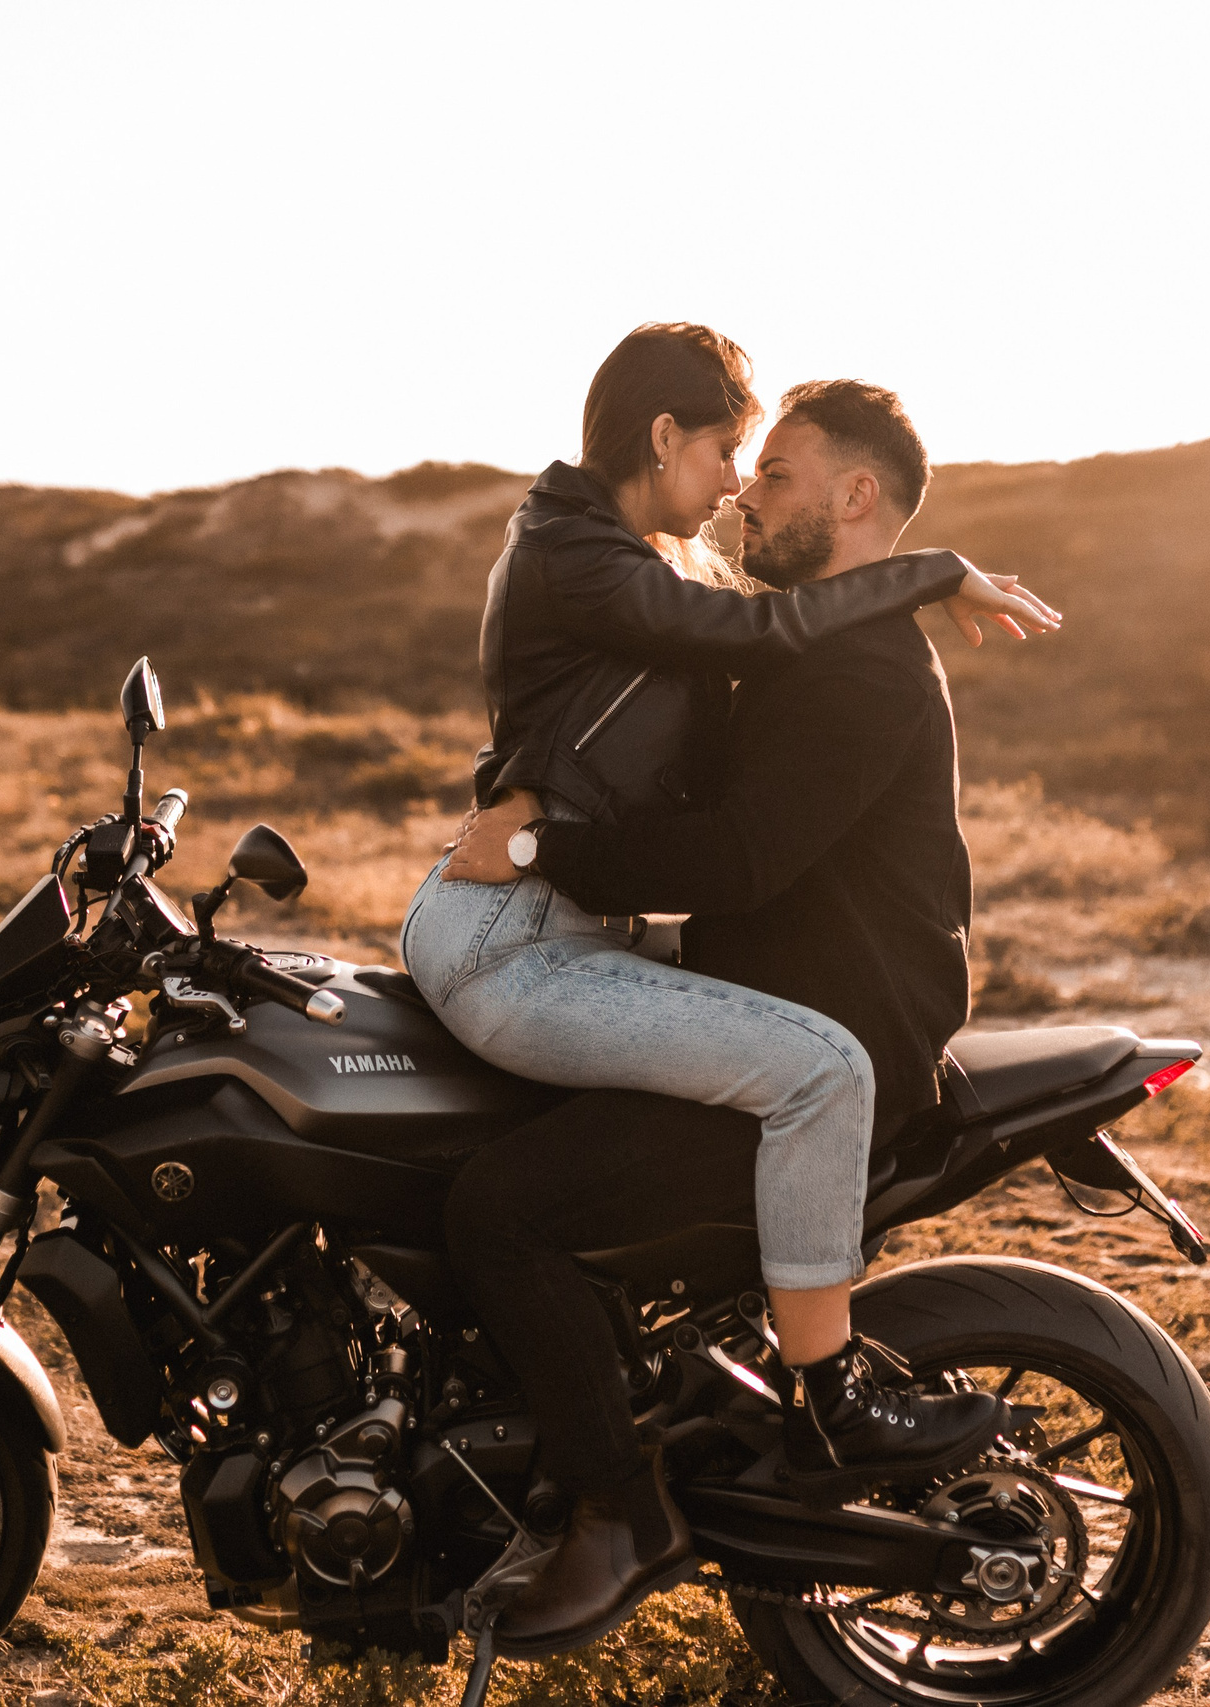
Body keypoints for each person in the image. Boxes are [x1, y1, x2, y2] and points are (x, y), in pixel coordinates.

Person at [400, 323, 1052, 1507]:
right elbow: (703, 682)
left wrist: (545, 841)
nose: (742, 489)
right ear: (663, 438)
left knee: (506, 1208)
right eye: (735, 458)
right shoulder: (613, 561)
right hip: (675, 966)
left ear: (855, 498)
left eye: (772, 472)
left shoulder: (851, 662)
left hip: (817, 1013)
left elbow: (733, 852)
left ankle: (642, 1499)